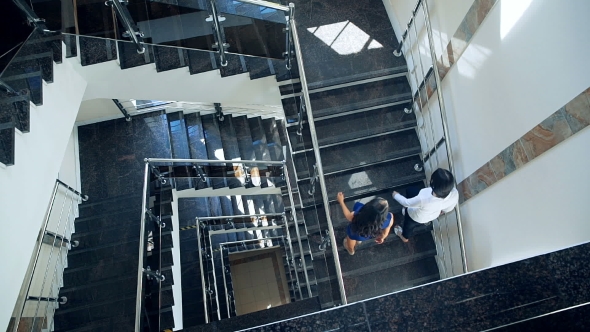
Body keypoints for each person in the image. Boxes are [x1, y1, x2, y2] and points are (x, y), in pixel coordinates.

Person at [392, 168, 459, 243]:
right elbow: (448, 209)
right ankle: (408, 211)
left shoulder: (424, 198)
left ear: (432, 182)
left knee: (408, 226)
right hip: (431, 215)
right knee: (410, 190)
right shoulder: (454, 193)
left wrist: (395, 195)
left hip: (415, 216)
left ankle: (404, 237)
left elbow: (405, 202)